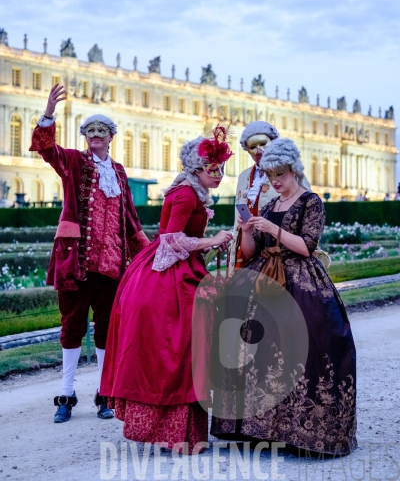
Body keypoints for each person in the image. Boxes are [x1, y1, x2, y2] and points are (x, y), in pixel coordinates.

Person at [211, 138, 357, 456]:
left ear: (294, 170)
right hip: (265, 276)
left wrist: (273, 230)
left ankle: (303, 431)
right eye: (271, 175)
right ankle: (256, 428)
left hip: (301, 279)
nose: (276, 181)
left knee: (309, 342)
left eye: (281, 174)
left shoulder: (310, 202)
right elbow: (252, 252)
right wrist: (248, 231)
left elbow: (307, 245)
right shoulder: (270, 206)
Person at [100, 126, 234, 454]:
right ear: (196, 170)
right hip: (167, 276)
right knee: (180, 346)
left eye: (220, 169)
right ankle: (177, 433)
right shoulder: (187, 193)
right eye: (212, 170)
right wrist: (212, 240)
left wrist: (210, 244)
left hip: (177, 269)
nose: (218, 175)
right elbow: (171, 239)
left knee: (183, 348)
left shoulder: (192, 191)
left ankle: (178, 432)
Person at [29, 84, 149, 423]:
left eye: (101, 130)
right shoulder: (73, 162)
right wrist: (49, 113)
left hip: (112, 267)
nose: (95, 135)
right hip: (76, 262)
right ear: (84, 137)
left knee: (107, 329)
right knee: (71, 327)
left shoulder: (120, 172)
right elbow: (45, 148)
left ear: (111, 136)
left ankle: (104, 394)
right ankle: (66, 395)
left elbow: (130, 217)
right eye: (90, 131)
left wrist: (147, 250)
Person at [228, 121, 279, 276]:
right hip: (246, 244)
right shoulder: (244, 176)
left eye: (263, 144)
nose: (258, 151)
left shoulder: (288, 172)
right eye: (252, 147)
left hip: (274, 246)